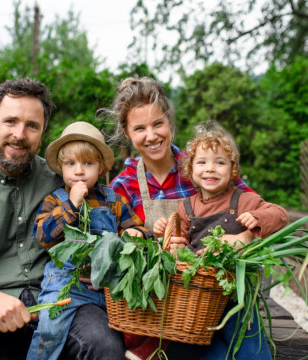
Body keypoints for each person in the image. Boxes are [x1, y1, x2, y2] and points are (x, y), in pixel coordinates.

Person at [0, 78, 124, 360]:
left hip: (61, 302)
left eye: (32, 126)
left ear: (42, 133)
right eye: (10, 122)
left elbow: (109, 218)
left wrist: (101, 265)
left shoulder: (63, 180)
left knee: (103, 339)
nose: (20, 134)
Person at [102, 76, 257, 359]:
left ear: (170, 123)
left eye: (157, 124)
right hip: (162, 315)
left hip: (221, 295)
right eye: (139, 128)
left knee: (249, 354)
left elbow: (256, 207)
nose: (151, 135)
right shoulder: (122, 187)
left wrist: (246, 235)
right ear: (127, 133)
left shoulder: (202, 165)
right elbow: (113, 250)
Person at [153, 122, 289, 360]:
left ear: (232, 169)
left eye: (220, 162)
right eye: (202, 162)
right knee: (214, 354)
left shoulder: (243, 200)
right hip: (199, 303)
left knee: (253, 354)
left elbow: (280, 214)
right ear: (191, 169)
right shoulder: (186, 208)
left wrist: (255, 220)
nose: (211, 169)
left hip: (234, 299)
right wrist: (174, 243)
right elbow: (181, 244)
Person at [27, 121, 151, 360]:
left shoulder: (113, 200)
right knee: (49, 330)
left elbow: (137, 228)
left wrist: (136, 235)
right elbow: (42, 236)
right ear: (61, 168)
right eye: (71, 164)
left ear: (101, 168)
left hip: (106, 288)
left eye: (87, 163)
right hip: (64, 284)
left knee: (126, 334)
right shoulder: (56, 199)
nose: (79, 171)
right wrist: (71, 205)